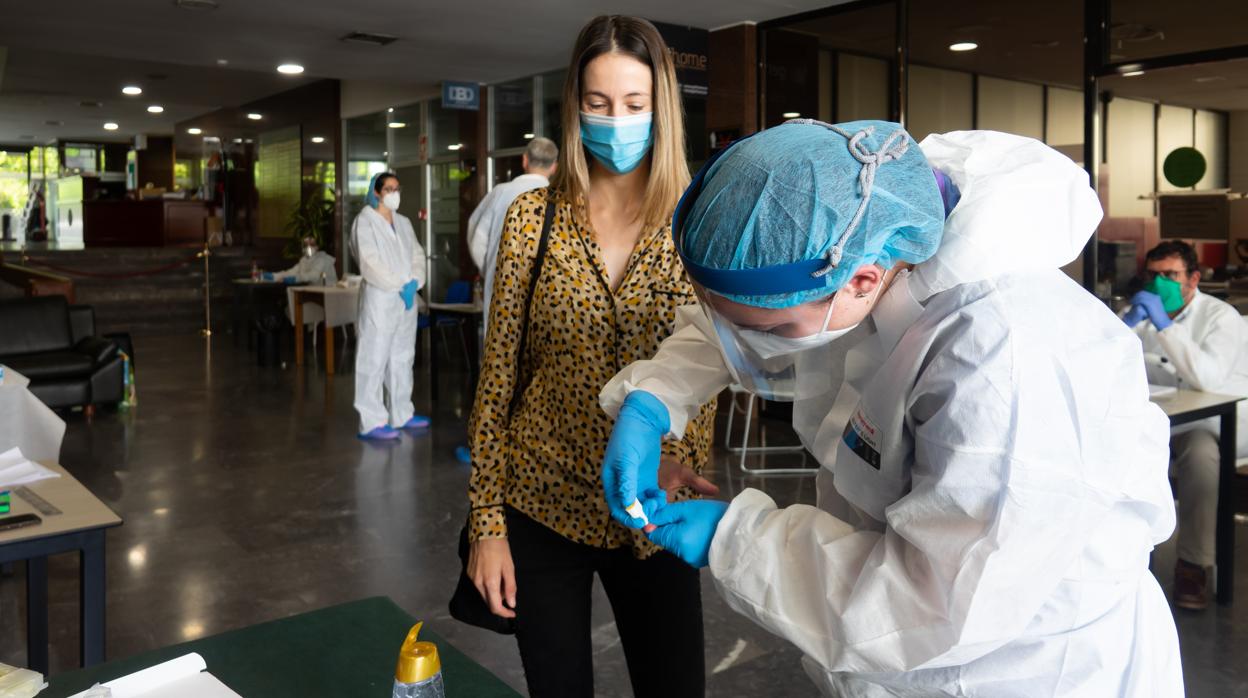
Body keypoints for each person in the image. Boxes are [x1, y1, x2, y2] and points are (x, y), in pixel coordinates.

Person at [600, 121, 1183, 695]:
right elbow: (742, 315)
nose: (753, 341)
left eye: (775, 327)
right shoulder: (870, 235)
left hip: (1024, 669)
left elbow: (936, 605)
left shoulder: (1003, 358)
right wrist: (654, 396)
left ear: (862, 281)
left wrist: (735, 541)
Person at [465, 16, 716, 697]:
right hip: (542, 503)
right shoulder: (532, 220)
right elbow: (498, 380)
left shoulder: (695, 222)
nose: (616, 122)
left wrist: (681, 454)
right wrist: (488, 525)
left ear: (660, 106)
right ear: (575, 107)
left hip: (653, 509)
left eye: (634, 106)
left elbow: (712, 357)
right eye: (598, 104)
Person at [1123, 239, 1248, 609]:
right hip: (1162, 416)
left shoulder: (1220, 317)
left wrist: (1164, 325)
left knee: (1200, 453)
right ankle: (1128, 558)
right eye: (1154, 274)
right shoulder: (1142, 310)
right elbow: (1108, 360)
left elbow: (1207, 378)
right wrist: (1125, 327)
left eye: (1171, 275)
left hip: (1216, 422)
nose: (1160, 283)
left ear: (1193, 279)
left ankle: (1193, 564)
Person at [350, 172, 430, 441]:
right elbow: (369, 262)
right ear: (376, 192)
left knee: (402, 357)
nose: (394, 193)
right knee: (374, 358)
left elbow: (418, 255)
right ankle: (371, 420)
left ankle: (402, 413)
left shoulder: (405, 222)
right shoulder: (365, 222)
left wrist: (415, 282)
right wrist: (398, 284)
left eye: (397, 188)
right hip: (381, 300)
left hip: (406, 301)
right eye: (388, 188)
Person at [467, 137, 558, 331]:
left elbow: (477, 238)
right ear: (554, 167)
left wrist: (490, 268)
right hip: (549, 292)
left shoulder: (500, 193)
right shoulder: (559, 197)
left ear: (524, 160)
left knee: (499, 348)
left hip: (501, 287)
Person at [264, 236, 337, 285]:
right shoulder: (304, 260)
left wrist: (296, 279)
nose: (308, 247)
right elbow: (292, 272)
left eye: (311, 245)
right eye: (306, 245)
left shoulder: (322, 259)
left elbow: (314, 276)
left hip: (329, 291)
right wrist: (275, 276)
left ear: (317, 247)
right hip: (315, 291)